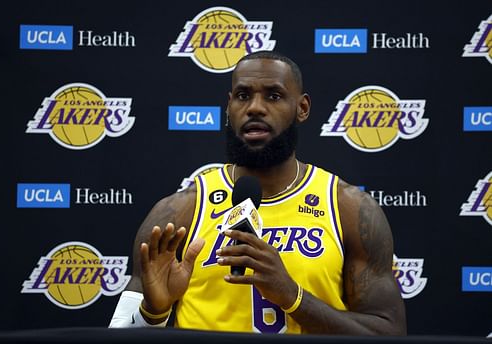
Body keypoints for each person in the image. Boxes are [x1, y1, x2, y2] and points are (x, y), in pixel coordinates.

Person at [109, 50, 407, 335]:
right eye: (243, 96)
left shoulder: (348, 208)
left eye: (273, 95)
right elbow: (118, 336)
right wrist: (153, 311)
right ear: (229, 107)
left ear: (302, 108)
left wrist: (293, 297)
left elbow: (388, 332)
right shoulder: (180, 211)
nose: (254, 107)